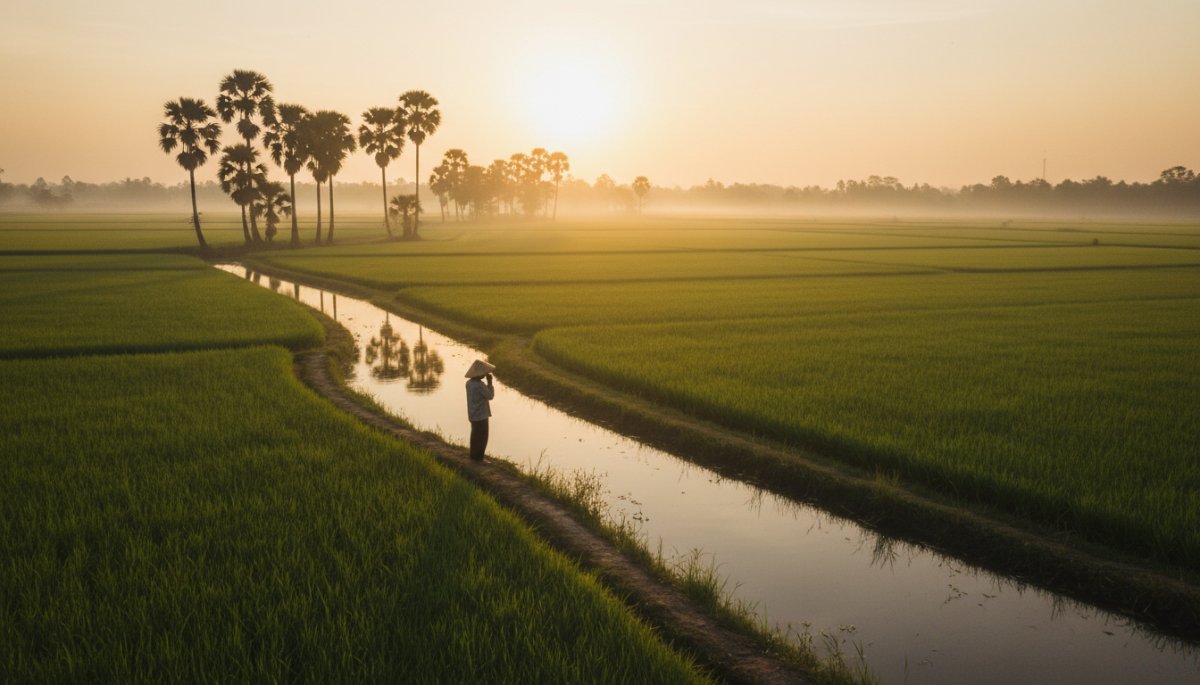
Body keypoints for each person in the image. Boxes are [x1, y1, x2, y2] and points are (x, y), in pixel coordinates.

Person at [464, 359, 496, 461]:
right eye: (483, 373)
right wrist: (490, 382)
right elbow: (490, 396)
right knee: (482, 437)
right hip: (481, 415)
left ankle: (473, 456)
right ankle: (480, 458)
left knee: (475, 435)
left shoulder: (469, 383)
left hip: (473, 414)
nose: (485, 374)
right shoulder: (479, 385)